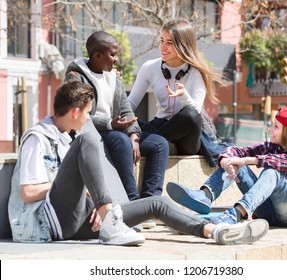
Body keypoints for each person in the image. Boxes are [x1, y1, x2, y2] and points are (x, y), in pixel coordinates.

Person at [8, 80, 269, 246]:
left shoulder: (67, 138)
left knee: (157, 203)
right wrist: (93, 201)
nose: (88, 118)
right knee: (87, 141)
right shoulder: (38, 138)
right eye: (88, 112)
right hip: (47, 224)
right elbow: (28, 192)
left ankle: (214, 230)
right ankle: (109, 216)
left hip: (79, 219)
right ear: (75, 111)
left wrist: (87, 199)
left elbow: (76, 185)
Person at [167, 106, 287, 228]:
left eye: (276, 127)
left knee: (272, 171)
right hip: (269, 212)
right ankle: (205, 195)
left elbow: (284, 162)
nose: (271, 130)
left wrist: (247, 160)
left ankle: (236, 214)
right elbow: (238, 150)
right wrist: (228, 160)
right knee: (235, 160)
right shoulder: (272, 146)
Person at [65, 31, 169, 203]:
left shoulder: (114, 77)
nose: (116, 59)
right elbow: (80, 116)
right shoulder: (76, 77)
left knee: (159, 144)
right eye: (113, 54)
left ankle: (150, 202)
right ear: (97, 55)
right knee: (120, 140)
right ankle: (131, 201)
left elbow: (126, 110)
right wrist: (110, 124)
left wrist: (134, 137)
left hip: (116, 131)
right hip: (90, 134)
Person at [128, 19, 222, 156]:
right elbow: (131, 103)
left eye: (169, 43)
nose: (163, 47)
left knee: (190, 114)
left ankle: (153, 142)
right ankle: (161, 143)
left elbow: (195, 112)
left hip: (186, 137)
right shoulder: (149, 67)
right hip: (161, 125)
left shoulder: (196, 72)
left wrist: (184, 95)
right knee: (128, 122)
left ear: (183, 45)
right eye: (162, 41)